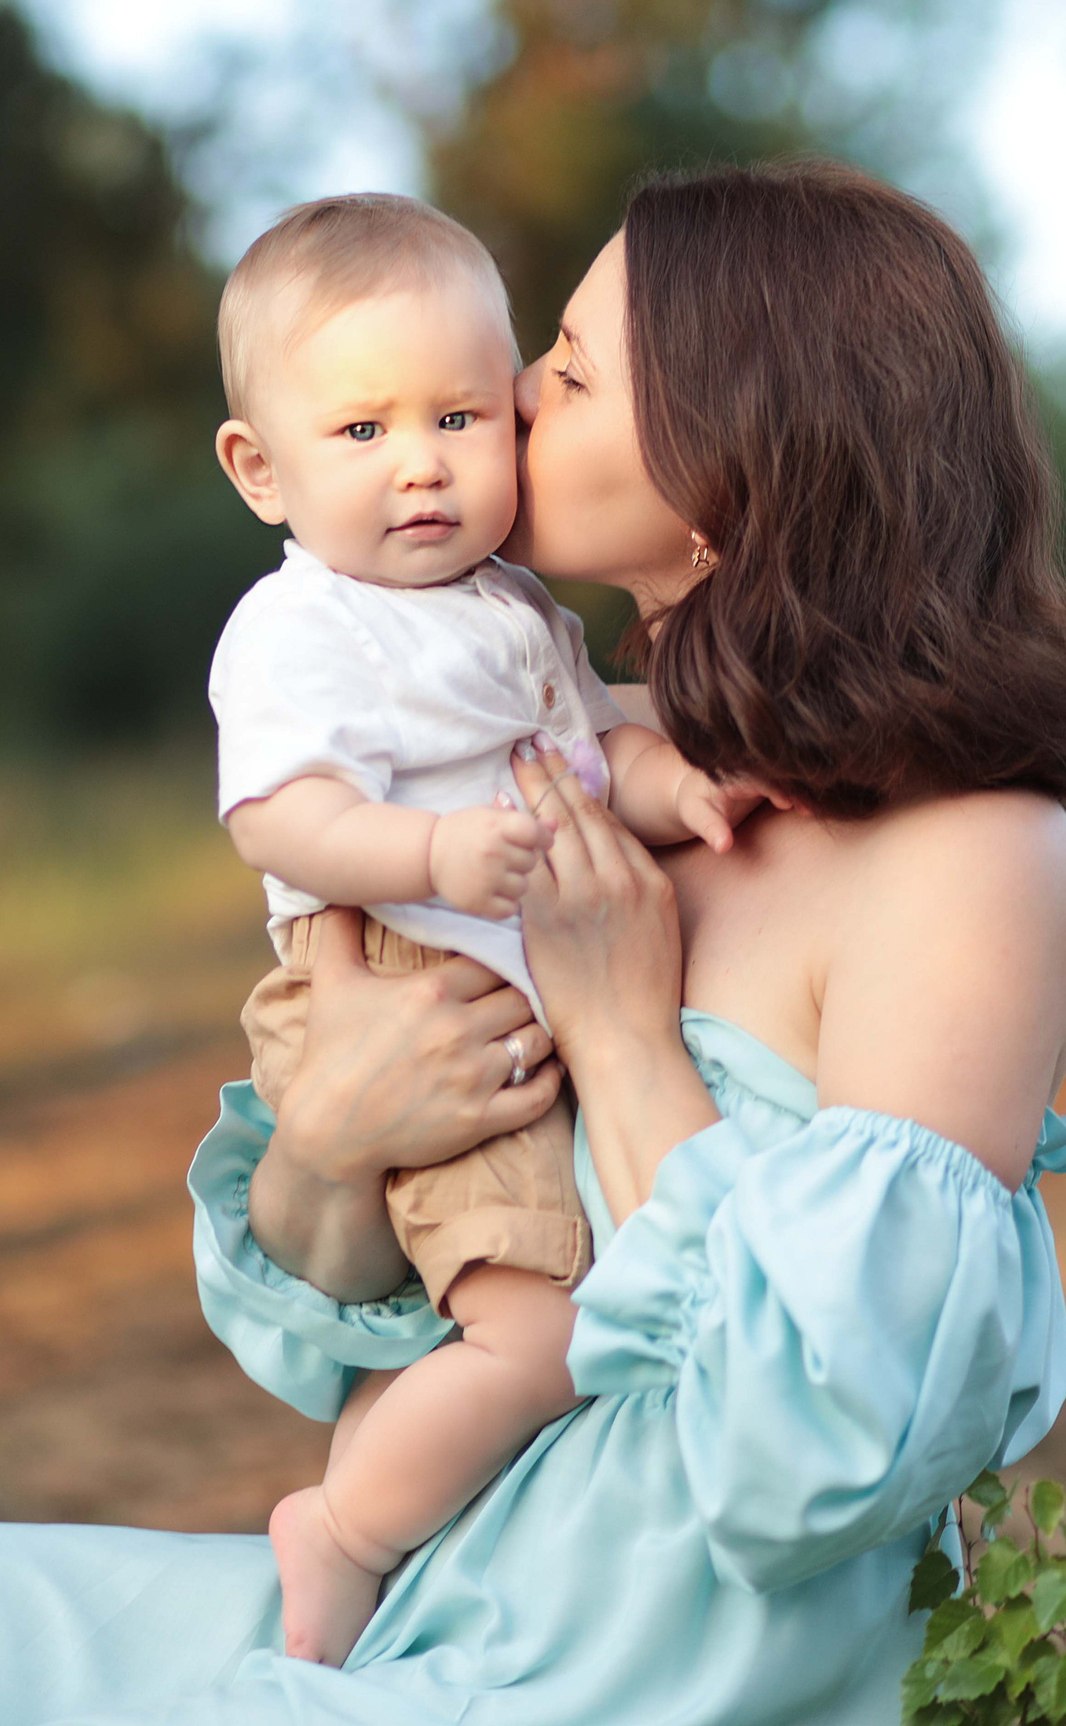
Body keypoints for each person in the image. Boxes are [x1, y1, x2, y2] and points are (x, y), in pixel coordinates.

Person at [0, 158, 1066, 1726]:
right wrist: (334, 1136)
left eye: (568, 367)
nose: (510, 390)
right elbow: (368, 1289)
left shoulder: (971, 862)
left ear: (741, 455)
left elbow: (823, 1455)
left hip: (647, 1663)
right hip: (445, 1582)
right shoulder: (585, 777)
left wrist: (625, 1041)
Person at [205, 191, 752, 1666]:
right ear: (261, 470)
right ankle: (346, 1533)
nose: (427, 467)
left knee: (495, 1316)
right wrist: (435, 848)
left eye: (462, 415)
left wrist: (680, 780)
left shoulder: (512, 609)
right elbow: (281, 814)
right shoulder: (304, 623)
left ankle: (419, 1527)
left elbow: (590, 752)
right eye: (365, 433)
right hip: (404, 973)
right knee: (538, 1333)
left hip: (495, 979)